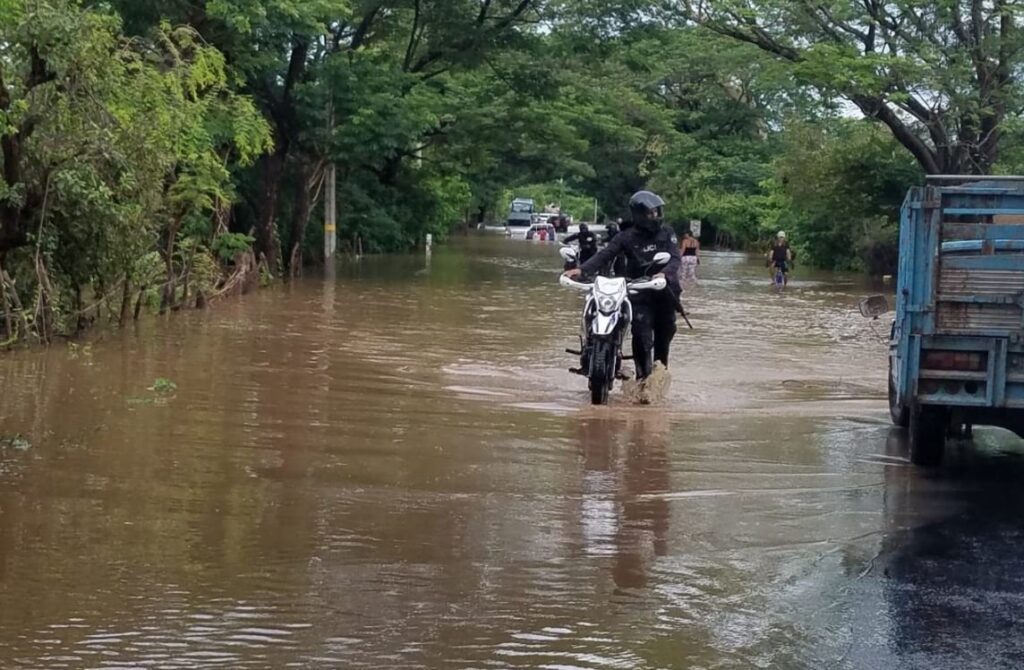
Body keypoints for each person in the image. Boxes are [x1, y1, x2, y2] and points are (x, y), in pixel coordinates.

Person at [564, 191, 681, 379]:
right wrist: (582, 270)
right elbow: (605, 254)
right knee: (642, 337)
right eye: (651, 213)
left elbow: (675, 258)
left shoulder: (667, 233)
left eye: (657, 212)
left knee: (664, 337)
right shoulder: (626, 237)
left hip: (664, 292)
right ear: (640, 214)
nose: (656, 217)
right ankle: (642, 381)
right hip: (639, 292)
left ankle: (658, 379)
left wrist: (664, 274)